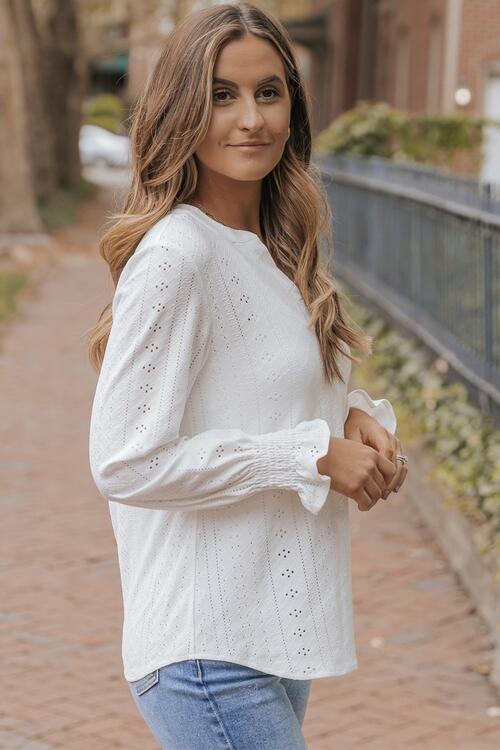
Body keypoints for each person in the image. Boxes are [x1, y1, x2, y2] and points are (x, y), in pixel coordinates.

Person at [87, 3, 408, 748]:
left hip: (266, 636)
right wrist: (311, 454)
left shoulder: (277, 245)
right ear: (181, 111)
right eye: (222, 96)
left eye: (269, 92)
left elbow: (255, 387)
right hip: (206, 649)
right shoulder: (179, 256)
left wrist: (349, 416)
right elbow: (125, 461)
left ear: (294, 106)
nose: (251, 119)